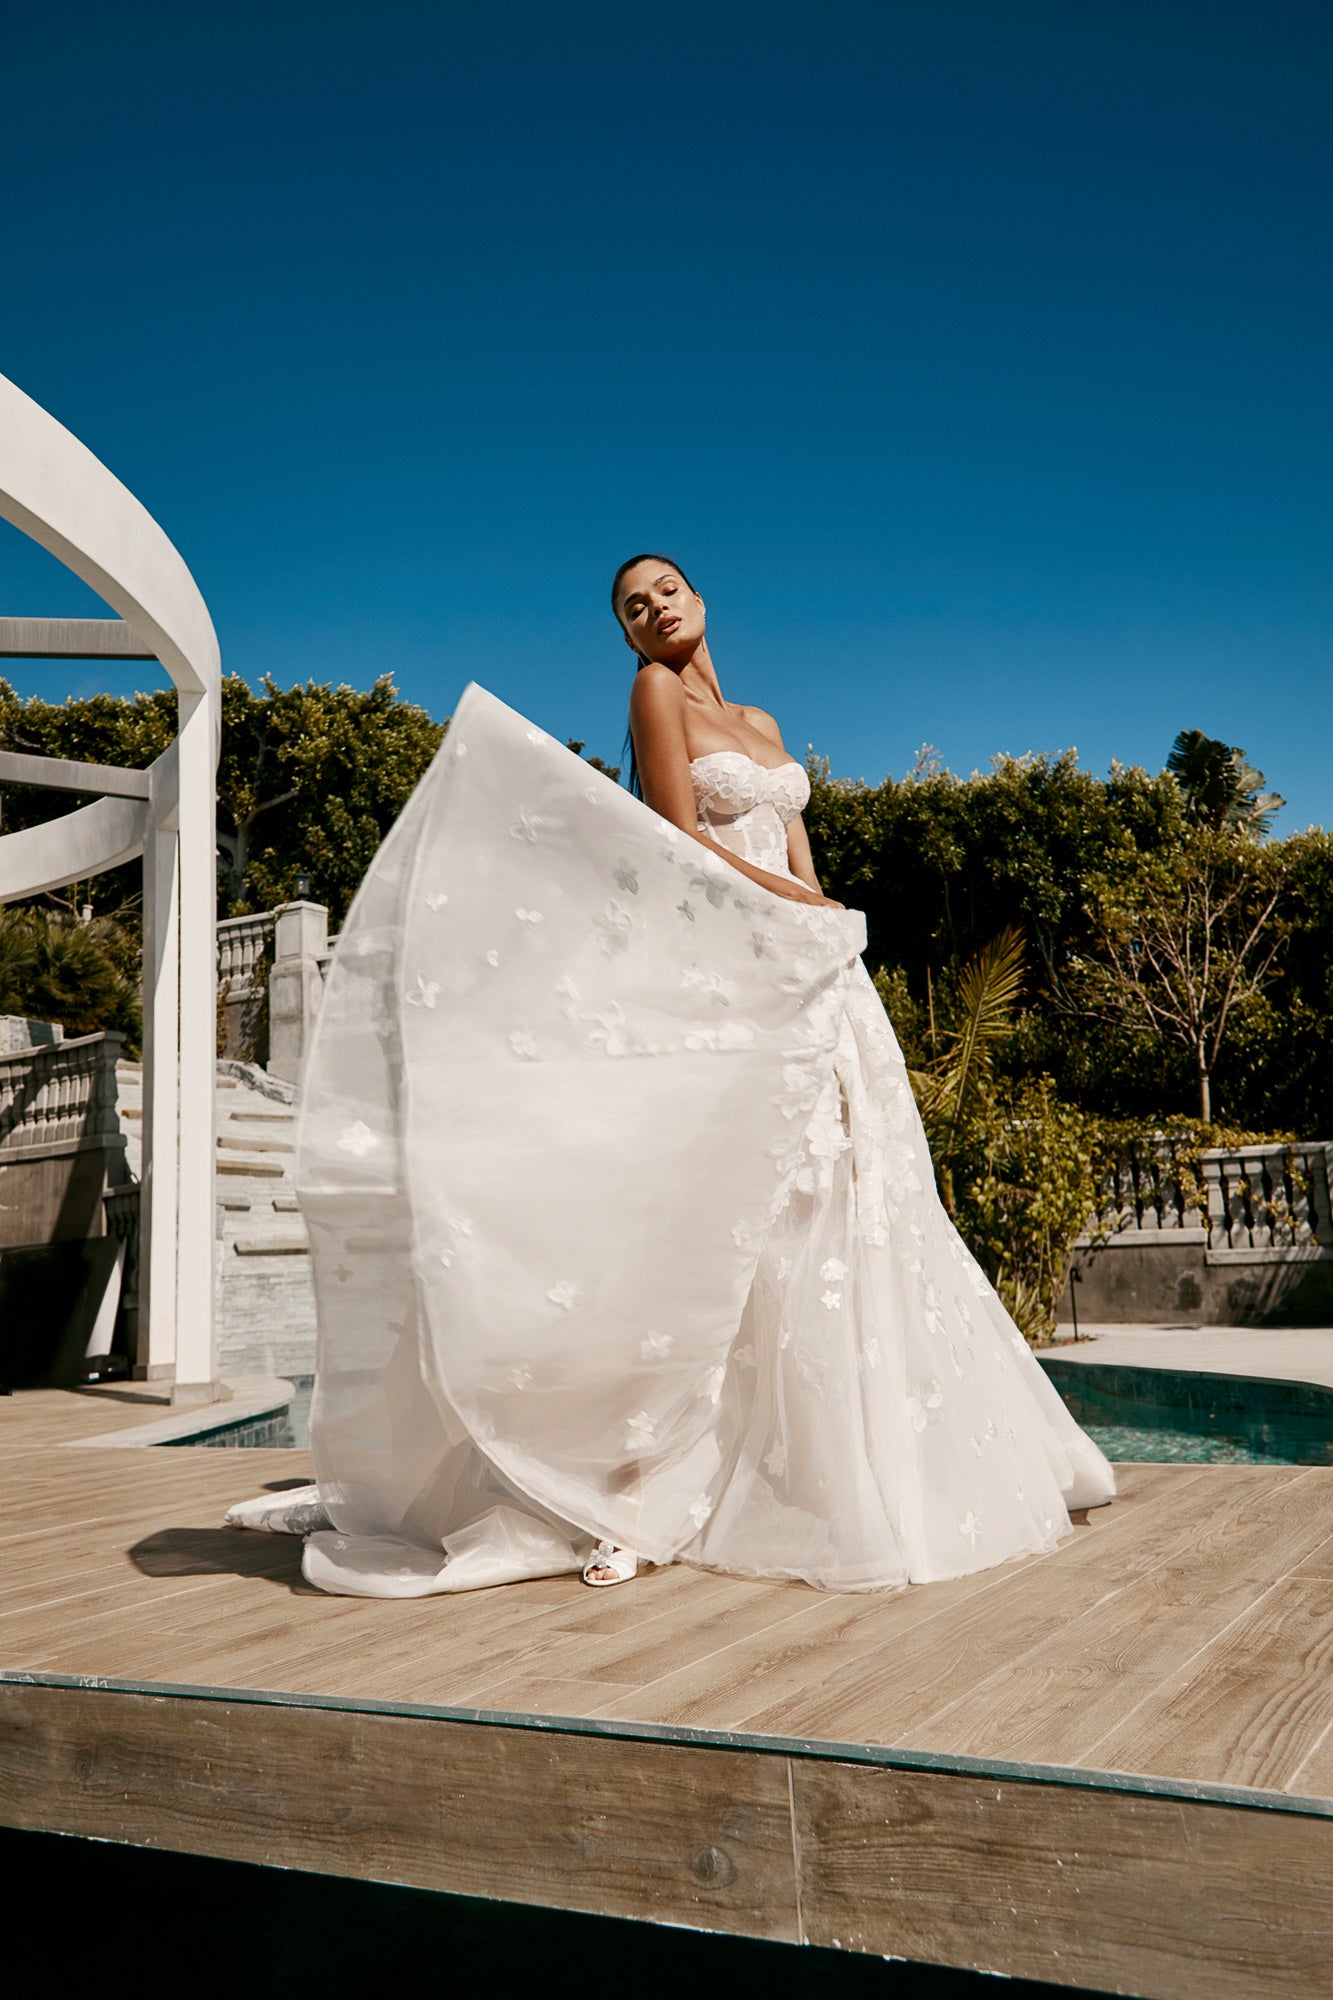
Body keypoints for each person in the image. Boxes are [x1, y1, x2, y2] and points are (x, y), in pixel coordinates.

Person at [227, 555, 1115, 1596]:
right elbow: (681, 841)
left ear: (701, 598)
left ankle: (872, 1468)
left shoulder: (769, 725)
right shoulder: (653, 693)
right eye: (632, 605)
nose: (655, 608)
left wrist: (826, 927)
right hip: (744, 963)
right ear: (628, 634)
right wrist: (794, 913)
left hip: (818, 972)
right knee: (736, 1213)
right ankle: (636, 1488)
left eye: (666, 590)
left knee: (851, 1199)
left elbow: (800, 852)